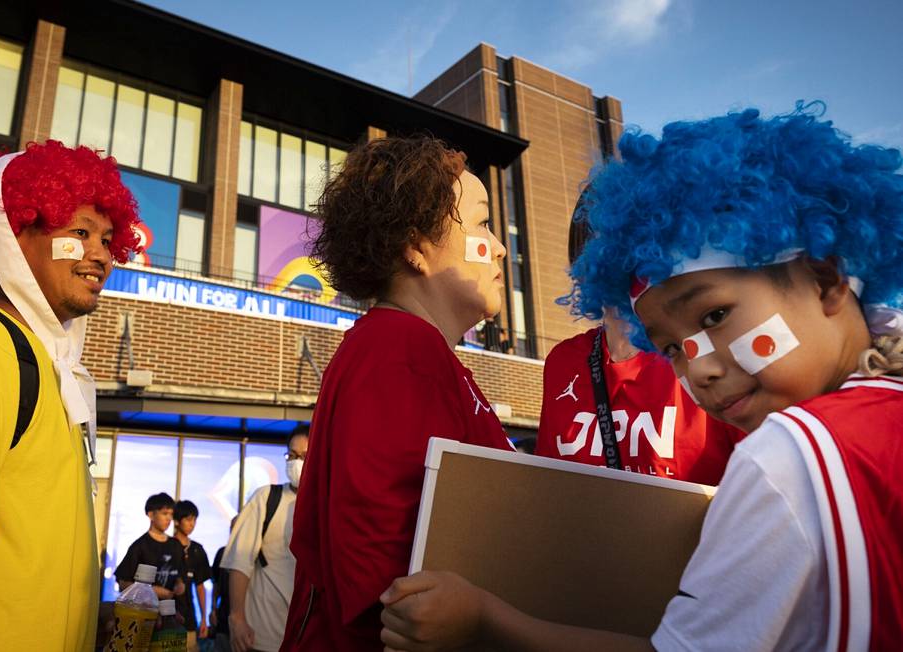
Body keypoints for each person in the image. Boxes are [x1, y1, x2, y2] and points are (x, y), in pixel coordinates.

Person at [378, 104, 903, 650]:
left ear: (826, 277)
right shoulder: (858, 419)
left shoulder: (786, 456)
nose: (700, 368)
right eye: (670, 346)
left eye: (717, 315)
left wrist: (486, 620)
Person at [278, 136, 515, 652]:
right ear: (414, 247)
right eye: (480, 223)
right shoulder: (397, 348)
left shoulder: (411, 349)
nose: (498, 246)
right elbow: (389, 585)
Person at [0, 140, 140, 650]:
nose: (100, 255)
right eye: (80, 233)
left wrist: (87, 614)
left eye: (109, 240)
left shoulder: (50, 369)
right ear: (12, 236)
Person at [537, 208, 743, 485]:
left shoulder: (703, 348)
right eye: (602, 243)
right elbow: (548, 484)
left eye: (633, 240)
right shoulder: (564, 361)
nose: (618, 258)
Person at [223, 424, 309, 652]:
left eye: (304, 456)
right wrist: (237, 618)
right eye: (291, 455)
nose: (296, 462)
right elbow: (240, 561)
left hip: (306, 637)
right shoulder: (267, 497)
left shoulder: (327, 506)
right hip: (262, 637)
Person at [115, 492, 186, 600]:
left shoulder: (176, 545)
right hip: (146, 609)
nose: (168, 518)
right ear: (151, 515)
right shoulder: (139, 546)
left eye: (171, 514)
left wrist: (179, 584)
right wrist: (151, 590)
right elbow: (122, 583)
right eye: (164, 513)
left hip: (173, 610)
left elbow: (180, 574)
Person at [174, 499, 213, 651]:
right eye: (188, 519)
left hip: (189, 618)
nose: (192, 524)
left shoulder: (197, 550)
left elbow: (200, 586)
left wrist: (204, 618)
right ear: (177, 521)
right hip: (165, 619)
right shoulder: (166, 546)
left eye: (194, 520)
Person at [210, 516, 238, 652]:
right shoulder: (222, 553)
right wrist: (213, 609)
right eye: (232, 528)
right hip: (223, 619)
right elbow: (215, 583)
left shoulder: (253, 554)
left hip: (245, 622)